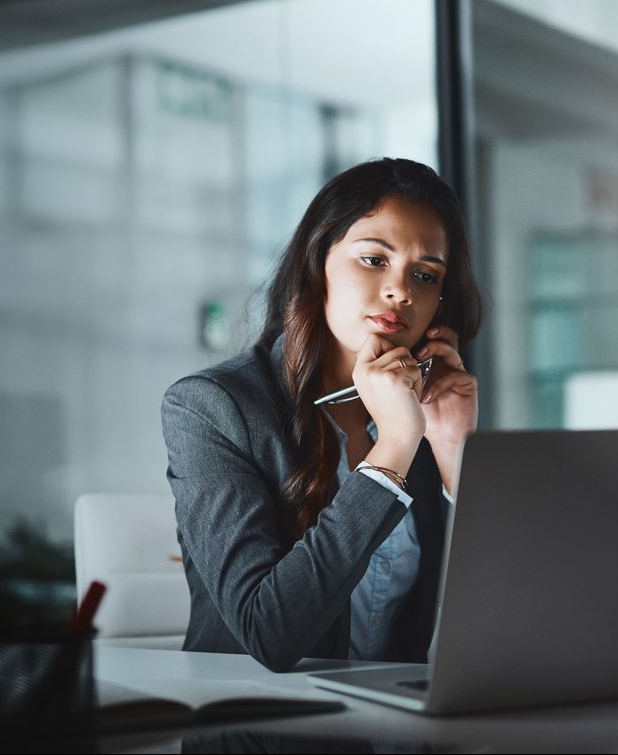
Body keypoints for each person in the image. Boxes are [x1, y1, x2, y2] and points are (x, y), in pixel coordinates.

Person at [161, 157, 482, 672]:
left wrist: (453, 454)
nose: (401, 290)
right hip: (265, 722)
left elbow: (505, 616)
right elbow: (268, 633)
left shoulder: (426, 414)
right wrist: (395, 442)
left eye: (424, 275)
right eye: (375, 259)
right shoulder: (211, 406)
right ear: (318, 263)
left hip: (391, 723)